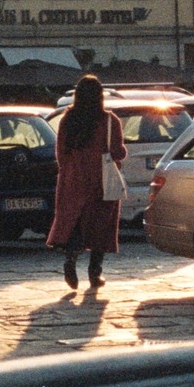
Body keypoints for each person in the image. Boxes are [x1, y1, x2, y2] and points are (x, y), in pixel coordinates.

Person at [45, 74, 127, 290]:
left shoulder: (67, 119)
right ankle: (94, 273)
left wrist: (70, 170)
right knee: (101, 225)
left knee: (75, 223)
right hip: (101, 178)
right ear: (100, 96)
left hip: (73, 178)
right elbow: (118, 152)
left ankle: (70, 261)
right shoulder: (110, 120)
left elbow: (60, 152)